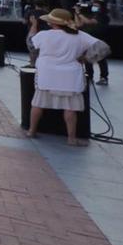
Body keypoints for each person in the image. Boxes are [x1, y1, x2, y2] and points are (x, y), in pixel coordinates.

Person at [27, 8, 107, 146]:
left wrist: (33, 26)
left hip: (47, 75)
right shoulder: (80, 35)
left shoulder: (44, 35)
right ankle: (71, 138)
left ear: (52, 22)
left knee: (38, 104)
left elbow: (30, 44)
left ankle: (31, 131)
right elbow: (103, 48)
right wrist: (85, 58)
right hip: (70, 77)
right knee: (70, 109)